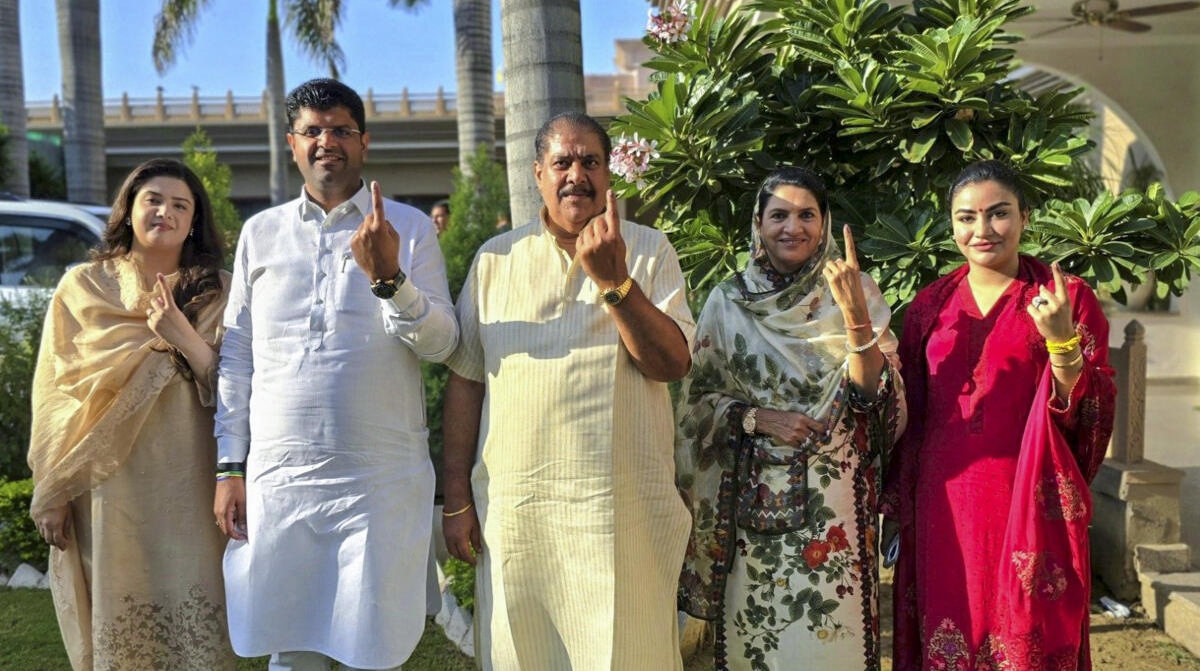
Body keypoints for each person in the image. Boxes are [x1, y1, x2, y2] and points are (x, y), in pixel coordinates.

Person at [213, 78, 458, 671]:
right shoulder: (260, 233)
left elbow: (444, 343)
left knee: (371, 645)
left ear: (364, 142)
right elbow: (238, 354)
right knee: (291, 646)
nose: (328, 142)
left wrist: (389, 278)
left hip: (377, 479)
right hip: (282, 477)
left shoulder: (408, 228)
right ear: (293, 144)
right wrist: (228, 464)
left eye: (341, 130)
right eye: (313, 131)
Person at [441, 111, 695, 670]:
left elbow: (672, 363)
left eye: (590, 162)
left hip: (620, 511)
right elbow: (466, 381)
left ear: (609, 175)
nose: (575, 174)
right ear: (537, 174)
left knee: (626, 651)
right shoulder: (494, 259)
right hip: (519, 512)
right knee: (520, 650)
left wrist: (615, 283)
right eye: (562, 162)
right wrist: (456, 498)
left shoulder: (649, 251)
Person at [884, 160, 1117, 670]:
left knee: (1027, 637)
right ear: (951, 224)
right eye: (966, 217)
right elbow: (909, 412)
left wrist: (1061, 340)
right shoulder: (929, 306)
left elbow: (1092, 408)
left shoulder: (1065, 297)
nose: (982, 230)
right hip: (943, 508)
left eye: (998, 214)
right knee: (949, 631)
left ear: (1025, 217)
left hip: (1029, 501)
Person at [675, 167, 907, 669]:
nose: (792, 227)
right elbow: (697, 405)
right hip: (748, 504)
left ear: (824, 225)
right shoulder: (728, 300)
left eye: (807, 215)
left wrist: (854, 317)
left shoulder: (855, 289)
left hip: (838, 504)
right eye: (778, 214)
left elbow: (875, 398)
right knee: (758, 644)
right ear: (758, 224)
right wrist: (760, 418)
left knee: (832, 641)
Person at [28, 158, 235, 670]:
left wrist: (180, 334)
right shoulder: (83, 287)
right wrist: (52, 489)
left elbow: (237, 390)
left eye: (180, 205)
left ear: (194, 222)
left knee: (195, 630)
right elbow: (54, 396)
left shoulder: (220, 291)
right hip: (106, 486)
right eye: (154, 200)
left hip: (191, 481)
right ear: (129, 210)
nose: (165, 211)